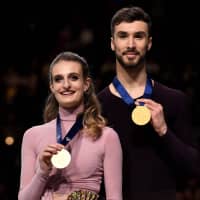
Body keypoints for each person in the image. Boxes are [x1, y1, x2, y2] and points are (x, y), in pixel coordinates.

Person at [98, 6, 200, 200]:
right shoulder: (95, 107)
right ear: (112, 43)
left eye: (138, 36)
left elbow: (193, 168)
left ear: (149, 43)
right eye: (122, 36)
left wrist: (164, 131)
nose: (130, 44)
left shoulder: (174, 100)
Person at [18, 51, 122, 200]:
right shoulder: (32, 136)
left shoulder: (107, 136)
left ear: (86, 84)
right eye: (58, 79)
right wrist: (42, 173)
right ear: (52, 87)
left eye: (73, 78)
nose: (66, 85)